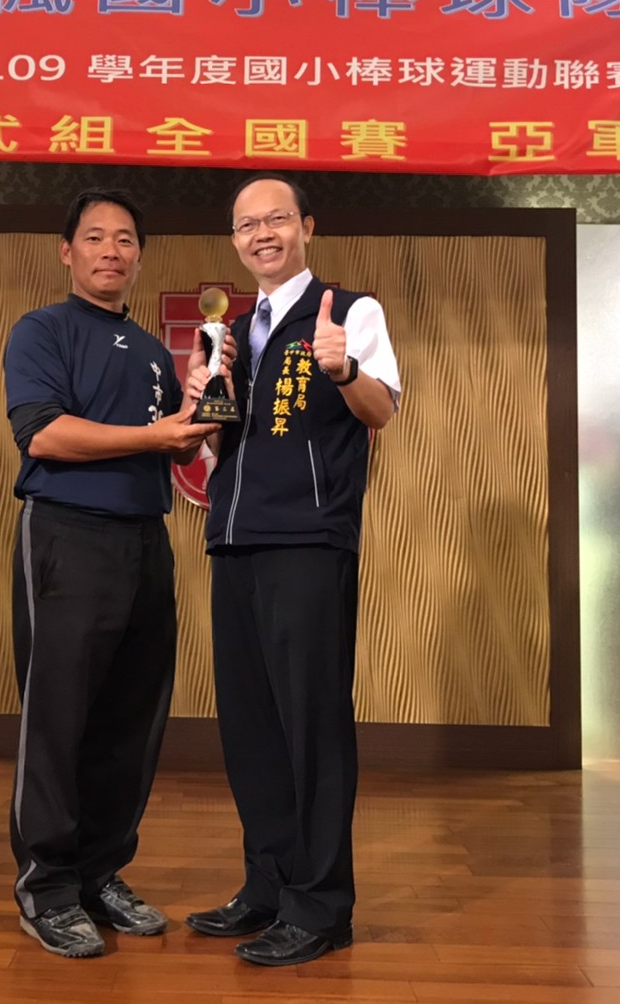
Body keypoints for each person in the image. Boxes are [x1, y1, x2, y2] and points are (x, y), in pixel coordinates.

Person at [2, 187, 231, 959]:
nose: (111, 250)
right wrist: (154, 435)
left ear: (139, 256)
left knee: (131, 719)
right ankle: (46, 886)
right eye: (96, 237)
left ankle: (100, 873)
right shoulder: (41, 330)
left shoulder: (156, 355)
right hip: (67, 534)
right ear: (67, 251)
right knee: (59, 715)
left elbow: (174, 447)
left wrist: (198, 417)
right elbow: (44, 436)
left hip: (144, 539)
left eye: (126, 239)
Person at [183, 174, 401, 967]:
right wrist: (206, 395)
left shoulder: (351, 311)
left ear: (307, 227)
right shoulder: (233, 329)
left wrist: (342, 370)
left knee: (311, 724)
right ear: (235, 241)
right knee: (252, 727)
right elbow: (218, 444)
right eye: (248, 225)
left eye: (277, 219)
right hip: (235, 539)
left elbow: (381, 411)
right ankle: (268, 887)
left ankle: (321, 907)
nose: (263, 234)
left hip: (309, 540)